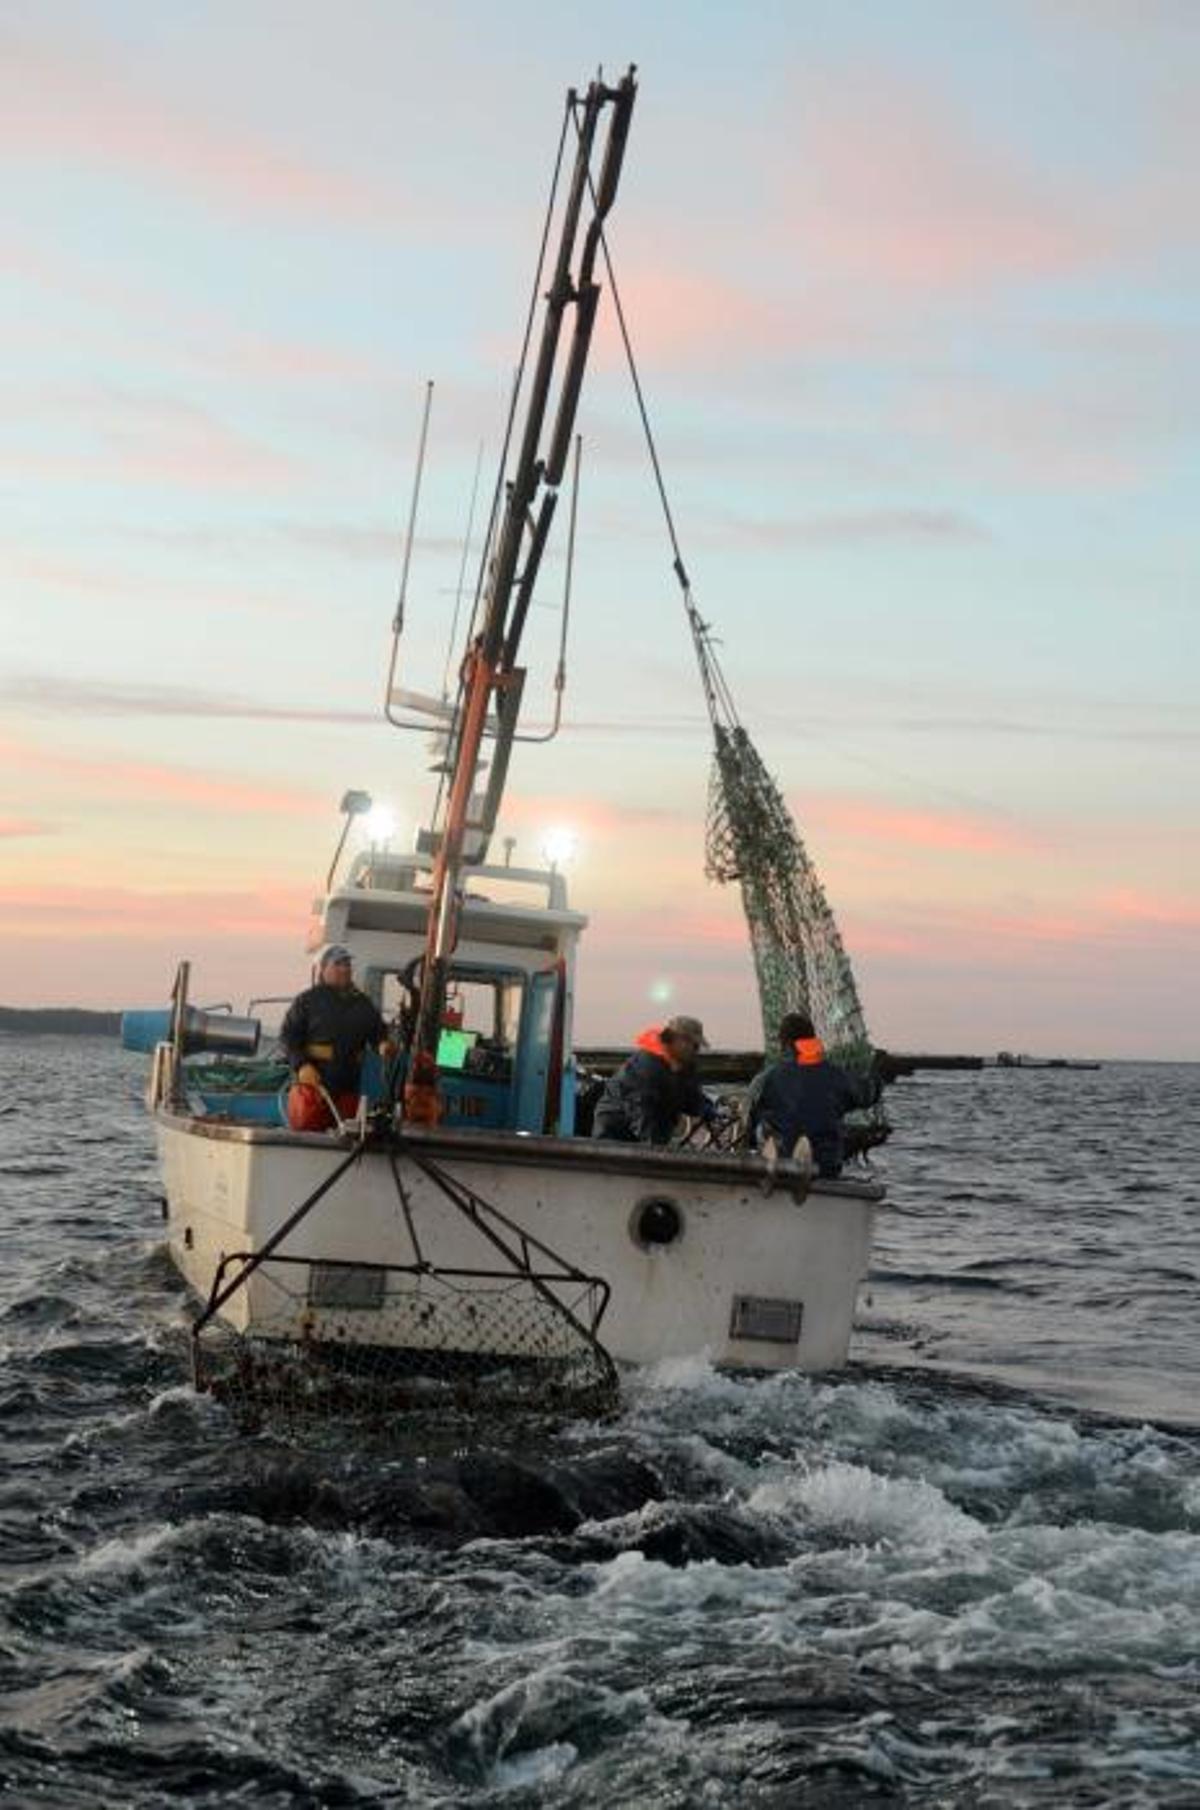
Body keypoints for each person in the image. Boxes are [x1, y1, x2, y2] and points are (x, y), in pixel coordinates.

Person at [746, 1011, 878, 1177]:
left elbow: (748, 1116)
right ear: (812, 1040)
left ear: (784, 1043)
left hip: (783, 1165)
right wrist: (876, 1075)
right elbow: (867, 1095)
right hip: (827, 1166)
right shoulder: (837, 1076)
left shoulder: (768, 1078)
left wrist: (750, 1143)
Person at [280, 945, 393, 1131]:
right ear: (323, 969)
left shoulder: (363, 1004)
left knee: (347, 1135)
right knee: (308, 1134)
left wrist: (383, 1043)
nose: (345, 968)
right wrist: (301, 1065)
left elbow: (377, 1031)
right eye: (338, 964)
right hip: (312, 1090)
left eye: (347, 964)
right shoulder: (307, 1001)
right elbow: (288, 1037)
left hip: (348, 1090)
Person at [592, 1014, 716, 1146]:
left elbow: (690, 1097)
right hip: (614, 1136)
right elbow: (639, 1110)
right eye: (694, 1045)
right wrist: (652, 1148)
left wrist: (703, 1107)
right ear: (677, 1040)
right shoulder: (645, 1066)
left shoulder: (685, 1066)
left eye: (697, 1047)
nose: (696, 1051)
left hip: (654, 1136)